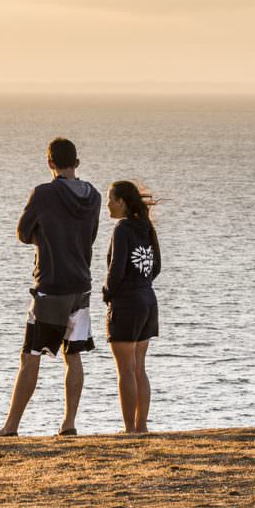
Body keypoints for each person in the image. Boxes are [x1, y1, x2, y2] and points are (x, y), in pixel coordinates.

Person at [0, 137, 101, 437]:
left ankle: (11, 427)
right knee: (73, 354)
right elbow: (90, 236)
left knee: (30, 356)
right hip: (81, 284)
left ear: (49, 163)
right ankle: (69, 423)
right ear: (76, 163)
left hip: (51, 285)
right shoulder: (94, 197)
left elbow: (22, 233)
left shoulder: (42, 194)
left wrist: (45, 238)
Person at [103, 180, 162, 434]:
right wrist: (143, 283)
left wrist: (108, 293)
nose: (107, 204)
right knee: (139, 368)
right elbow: (156, 265)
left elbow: (116, 269)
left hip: (126, 304)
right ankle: (142, 426)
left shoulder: (122, 229)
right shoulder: (146, 227)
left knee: (125, 370)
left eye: (110, 199)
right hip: (148, 300)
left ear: (122, 203)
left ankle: (129, 429)